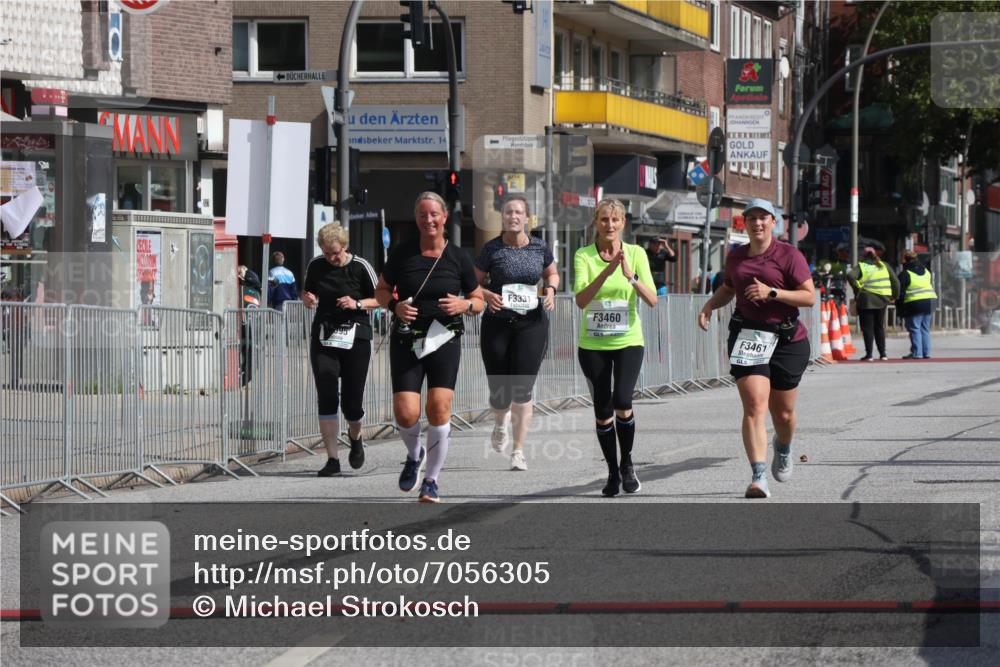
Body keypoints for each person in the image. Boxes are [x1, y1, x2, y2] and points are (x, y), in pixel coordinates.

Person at [697, 199, 815, 499]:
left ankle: (784, 447)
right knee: (754, 407)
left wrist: (772, 292)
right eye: (752, 218)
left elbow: (809, 297)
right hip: (749, 336)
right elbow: (729, 287)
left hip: (787, 339)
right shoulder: (736, 258)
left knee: (784, 414)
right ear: (744, 223)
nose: (757, 223)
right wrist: (710, 305)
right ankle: (759, 476)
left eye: (763, 218)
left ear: (773, 222)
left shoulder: (789, 255)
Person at [375, 192, 485, 503]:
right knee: (406, 413)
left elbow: (479, 301)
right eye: (423, 215)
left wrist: (464, 304)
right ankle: (414, 454)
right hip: (408, 340)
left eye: (434, 214)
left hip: (444, 338)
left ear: (445, 217)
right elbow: (381, 291)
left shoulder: (459, 257)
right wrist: (395, 306)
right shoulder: (402, 253)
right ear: (417, 219)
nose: (429, 220)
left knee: (438, 407)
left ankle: (431, 481)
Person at [574, 199, 657, 497]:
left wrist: (629, 276)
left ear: (623, 223)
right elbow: (581, 300)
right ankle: (611, 472)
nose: (610, 225)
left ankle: (628, 463)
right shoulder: (583, 255)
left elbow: (652, 299)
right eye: (604, 219)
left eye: (615, 220)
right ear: (596, 222)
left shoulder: (635, 253)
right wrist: (606, 273)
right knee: (602, 409)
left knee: (622, 399)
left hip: (628, 341)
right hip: (593, 343)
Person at [475, 195, 559, 471]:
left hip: (531, 323)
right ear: (503, 217)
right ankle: (500, 423)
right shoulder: (491, 249)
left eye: (519, 212)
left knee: (522, 388)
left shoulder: (539, 247)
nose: (513, 216)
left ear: (527, 218)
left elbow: (552, 274)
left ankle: (518, 451)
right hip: (497, 323)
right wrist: (487, 294)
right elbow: (472, 286)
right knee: (500, 390)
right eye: (509, 212)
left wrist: (550, 290)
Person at [301, 224, 378, 476]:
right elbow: (307, 291)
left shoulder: (361, 267)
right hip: (324, 336)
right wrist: (308, 299)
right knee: (327, 394)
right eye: (326, 253)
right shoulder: (316, 265)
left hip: (356, 338)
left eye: (334, 253)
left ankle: (356, 438)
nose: (331, 258)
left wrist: (356, 302)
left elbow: (382, 298)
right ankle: (332, 460)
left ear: (344, 246)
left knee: (352, 403)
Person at [847, 246, 899, 361]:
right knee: (879, 327)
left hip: (866, 301)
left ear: (864, 255)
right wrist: (894, 296)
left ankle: (869, 355)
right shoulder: (883, 265)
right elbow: (895, 282)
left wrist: (857, 288)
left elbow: (850, 276)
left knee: (867, 328)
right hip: (882, 300)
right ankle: (883, 354)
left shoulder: (862, 266)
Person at [897, 249, 937, 359]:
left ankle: (917, 353)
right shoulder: (926, 270)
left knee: (915, 328)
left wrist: (900, 309)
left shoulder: (905, 274)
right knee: (925, 328)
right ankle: (926, 352)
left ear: (905, 260)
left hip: (915, 303)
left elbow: (901, 293)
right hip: (930, 301)